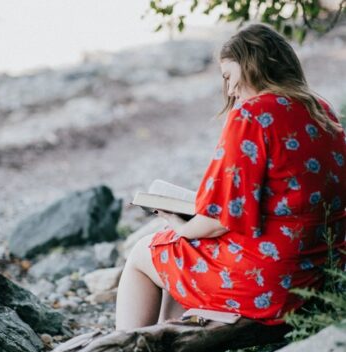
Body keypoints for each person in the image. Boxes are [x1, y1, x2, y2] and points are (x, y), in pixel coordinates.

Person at [115, 23, 346, 332]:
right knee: (177, 252)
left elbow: (217, 221)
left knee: (145, 252)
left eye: (228, 76)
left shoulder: (252, 115)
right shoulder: (321, 108)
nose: (231, 90)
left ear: (251, 65)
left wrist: (177, 223)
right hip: (317, 269)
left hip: (268, 282)